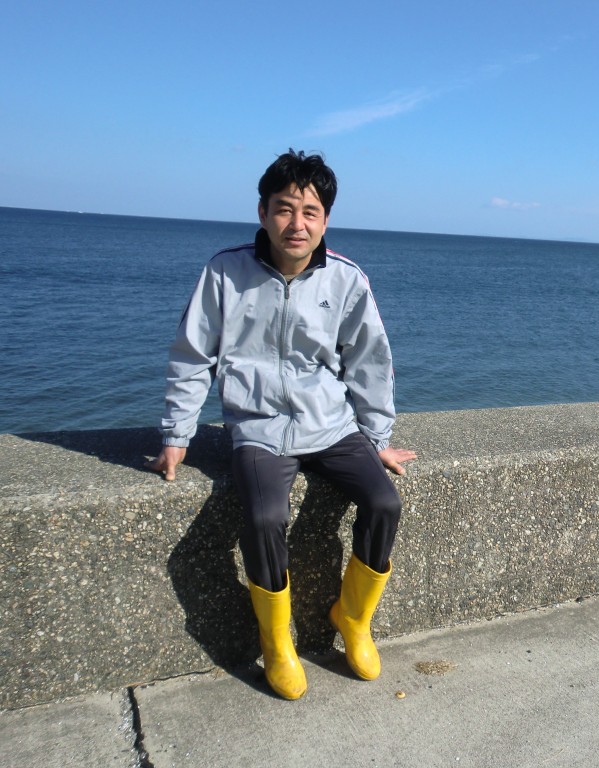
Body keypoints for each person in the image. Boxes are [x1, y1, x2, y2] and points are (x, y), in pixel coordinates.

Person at [147, 150, 416, 700]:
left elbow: (369, 361)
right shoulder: (226, 271)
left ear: (326, 220)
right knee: (265, 517)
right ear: (264, 211)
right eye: (285, 209)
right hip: (259, 427)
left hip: (331, 424)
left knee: (384, 502)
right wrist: (178, 435)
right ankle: (276, 644)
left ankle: (353, 619)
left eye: (311, 212)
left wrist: (378, 438)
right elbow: (193, 354)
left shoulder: (346, 279)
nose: (298, 224)